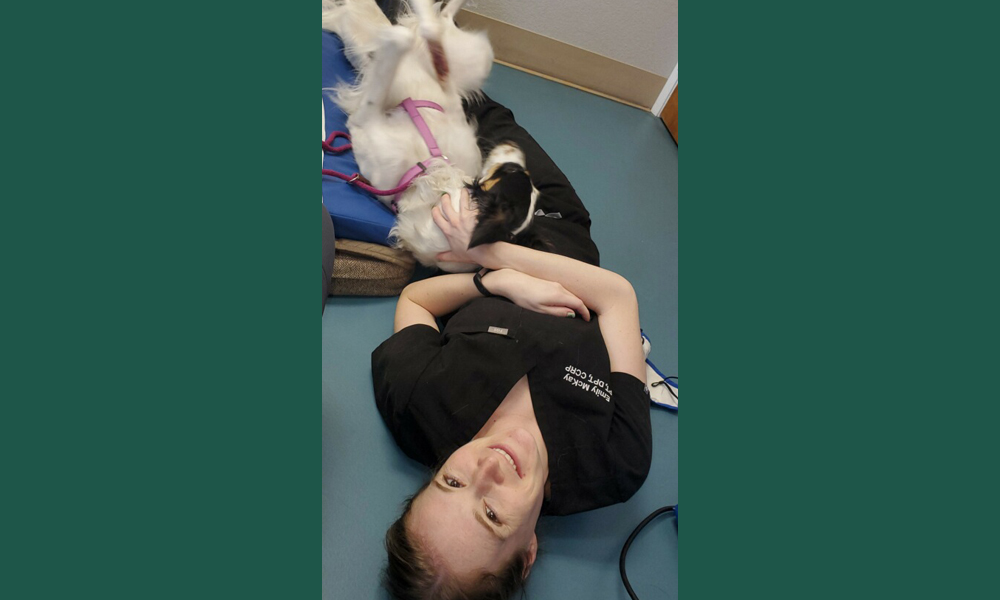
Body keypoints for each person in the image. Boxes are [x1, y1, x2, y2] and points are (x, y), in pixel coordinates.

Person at [371, 95, 653, 600]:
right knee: (493, 121)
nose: (487, 467)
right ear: (527, 556)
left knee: (435, 96)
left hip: (460, 223)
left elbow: (415, 301)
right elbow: (616, 297)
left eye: (451, 483)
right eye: (492, 513)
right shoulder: (613, 462)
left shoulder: (419, 406)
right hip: (555, 223)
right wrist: (492, 252)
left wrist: (491, 282)